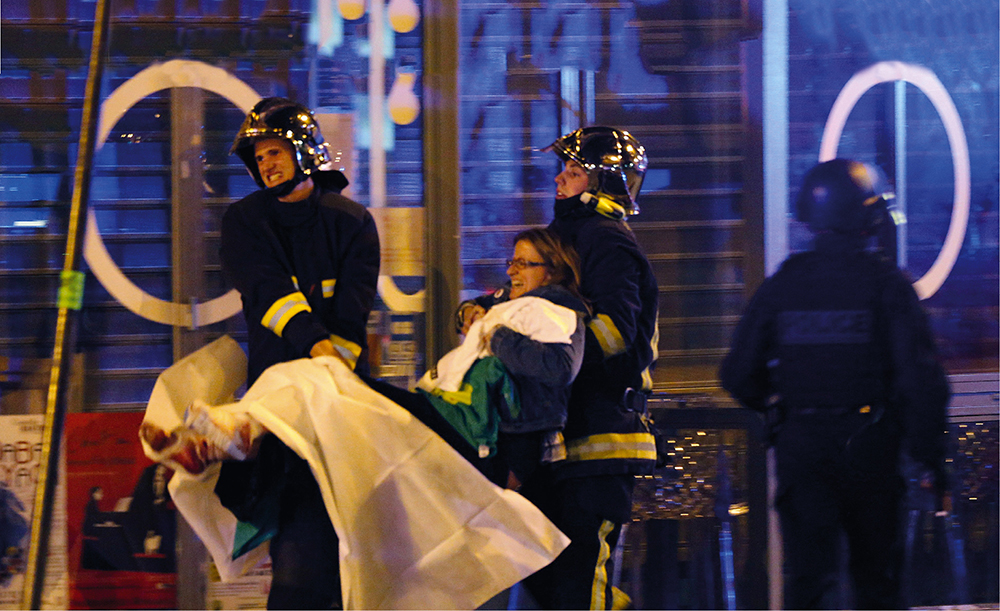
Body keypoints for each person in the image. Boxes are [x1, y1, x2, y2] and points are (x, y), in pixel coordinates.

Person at [719, 158, 950, 609]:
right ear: (868, 217)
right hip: (873, 449)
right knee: (877, 584)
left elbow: (737, 372)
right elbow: (920, 381)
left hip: (802, 448)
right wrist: (932, 460)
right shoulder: (887, 285)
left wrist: (778, 407)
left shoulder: (785, 285)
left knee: (808, 583)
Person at [458, 126, 660, 610]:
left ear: (604, 182)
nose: (558, 180)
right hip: (560, 442)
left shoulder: (607, 241)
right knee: (551, 581)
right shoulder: (568, 237)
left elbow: (615, 335)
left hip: (599, 438)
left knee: (578, 585)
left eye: (572, 172)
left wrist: (545, 358)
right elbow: (528, 304)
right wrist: (478, 312)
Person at [217, 96, 380, 610]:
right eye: (258, 156)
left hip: (343, 412)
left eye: (274, 151)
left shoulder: (352, 222)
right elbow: (268, 292)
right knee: (299, 553)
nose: (265, 164)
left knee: (344, 553)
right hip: (279, 413)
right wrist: (319, 349)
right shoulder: (243, 221)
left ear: (306, 151)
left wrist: (334, 370)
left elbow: (353, 314)